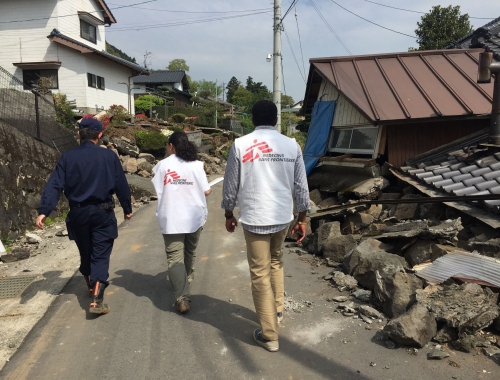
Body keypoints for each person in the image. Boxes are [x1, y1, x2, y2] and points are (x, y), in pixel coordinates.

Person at [221, 100, 310, 352]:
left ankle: (269, 334)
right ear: (275, 120)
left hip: (255, 217)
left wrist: (229, 212)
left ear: (252, 120)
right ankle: (277, 312)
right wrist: (302, 219)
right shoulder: (292, 145)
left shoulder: (240, 144)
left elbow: (230, 185)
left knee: (259, 272)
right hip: (283, 216)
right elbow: (302, 187)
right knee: (276, 261)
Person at [36, 118, 132, 315]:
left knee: (86, 251)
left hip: (78, 213)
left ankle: (91, 284)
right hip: (103, 211)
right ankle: (97, 298)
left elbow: (54, 184)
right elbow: (121, 184)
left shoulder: (67, 157)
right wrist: (127, 207)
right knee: (101, 253)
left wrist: (44, 210)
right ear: (99, 135)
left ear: (79, 134)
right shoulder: (109, 156)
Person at [151, 132, 211, 313]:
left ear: (171, 146)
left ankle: (182, 295)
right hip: (194, 217)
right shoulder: (197, 165)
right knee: (189, 252)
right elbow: (207, 192)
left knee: (174, 257)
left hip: (172, 219)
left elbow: (158, 189)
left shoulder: (161, 166)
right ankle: (186, 282)